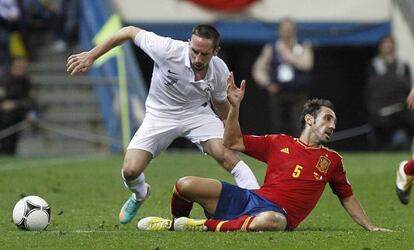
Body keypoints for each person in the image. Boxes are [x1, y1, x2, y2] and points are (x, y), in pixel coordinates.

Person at [136, 72, 390, 232]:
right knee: (185, 185)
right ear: (310, 120)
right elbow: (232, 141)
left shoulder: (332, 160)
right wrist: (234, 106)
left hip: (277, 215)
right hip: (250, 200)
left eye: (334, 121)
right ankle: (173, 226)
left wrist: (370, 226)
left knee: (272, 222)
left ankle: (199, 226)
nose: (332, 125)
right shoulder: (278, 142)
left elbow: (347, 196)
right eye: (327, 119)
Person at [66, 24, 260, 224]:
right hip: (160, 114)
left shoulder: (220, 70)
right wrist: (91, 55)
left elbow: (220, 105)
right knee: (130, 170)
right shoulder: (166, 49)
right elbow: (128, 31)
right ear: (188, 44)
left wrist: (233, 132)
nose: (198, 58)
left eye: (204, 54)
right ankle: (140, 193)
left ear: (215, 51)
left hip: (198, 114)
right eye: (194, 51)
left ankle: (259, 205)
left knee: (226, 155)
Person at [252, 18, 313, 137]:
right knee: (277, 125)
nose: (287, 32)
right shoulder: (272, 48)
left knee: (298, 124)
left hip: (298, 92)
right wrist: (267, 83)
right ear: (279, 31)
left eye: (290, 30)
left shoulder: (303, 45)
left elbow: (307, 64)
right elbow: (258, 69)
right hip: (278, 91)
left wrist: (288, 55)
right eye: (284, 30)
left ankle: (299, 151)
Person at [365, 35, 413, 150]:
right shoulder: (374, 65)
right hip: (380, 112)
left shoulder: (402, 65)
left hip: (400, 110)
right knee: (381, 140)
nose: (387, 47)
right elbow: (370, 89)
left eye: (390, 45)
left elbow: (408, 86)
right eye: (385, 45)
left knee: (403, 137)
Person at [0, 57, 32, 155]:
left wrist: (15, 104)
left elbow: (29, 100)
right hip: (3, 117)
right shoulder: (4, 79)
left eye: (23, 67)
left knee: (13, 142)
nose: (22, 69)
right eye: (19, 66)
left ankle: (9, 154)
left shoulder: (25, 81)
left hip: (18, 116)